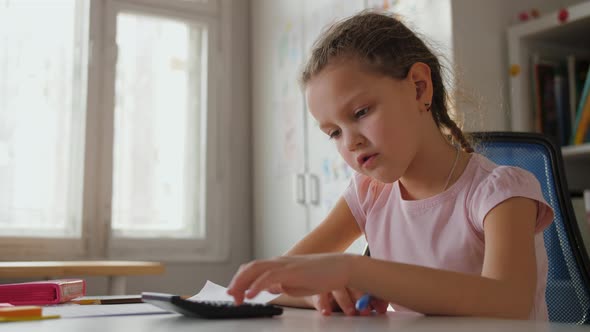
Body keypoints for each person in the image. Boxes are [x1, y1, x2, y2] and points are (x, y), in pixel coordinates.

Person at [227, 11, 554, 320]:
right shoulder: (368, 193)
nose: (350, 142)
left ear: (418, 87)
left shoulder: (502, 192)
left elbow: (508, 302)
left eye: (360, 113)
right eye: (334, 133)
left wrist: (353, 270)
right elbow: (276, 280)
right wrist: (319, 293)